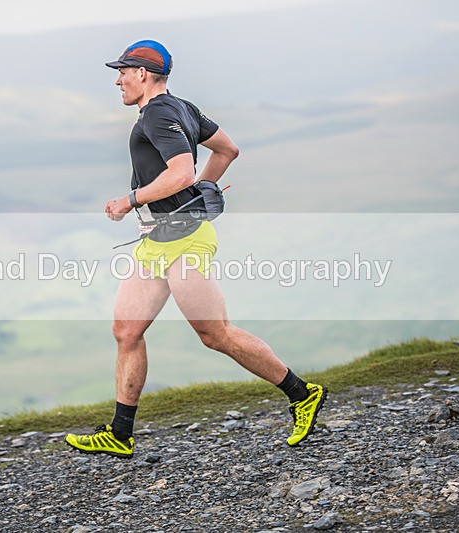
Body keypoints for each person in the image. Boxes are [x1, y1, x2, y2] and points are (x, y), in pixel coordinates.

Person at [65, 40, 327, 458]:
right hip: (156, 240)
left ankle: (302, 393)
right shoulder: (183, 107)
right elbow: (228, 150)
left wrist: (130, 199)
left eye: (123, 72)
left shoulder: (159, 113)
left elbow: (181, 172)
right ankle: (119, 433)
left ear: (143, 74)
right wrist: (201, 190)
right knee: (126, 330)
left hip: (184, 241)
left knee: (214, 333)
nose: (118, 80)